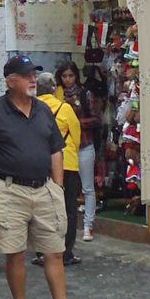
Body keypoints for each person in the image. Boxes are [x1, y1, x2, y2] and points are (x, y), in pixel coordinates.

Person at [0, 55, 96, 299]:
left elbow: (56, 148)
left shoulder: (42, 110)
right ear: (10, 81)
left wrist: (57, 185)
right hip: (9, 190)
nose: (33, 80)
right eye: (27, 75)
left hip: (44, 190)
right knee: (15, 253)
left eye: (34, 74)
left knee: (55, 250)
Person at [36, 72, 83, 266]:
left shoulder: (33, 108)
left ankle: (41, 252)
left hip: (40, 164)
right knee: (68, 209)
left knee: (42, 210)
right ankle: (66, 252)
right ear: (54, 89)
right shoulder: (65, 108)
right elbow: (76, 134)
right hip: (66, 163)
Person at [55, 61, 102, 242]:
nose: (68, 80)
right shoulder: (57, 95)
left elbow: (96, 119)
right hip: (64, 148)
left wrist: (76, 123)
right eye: (65, 76)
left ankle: (88, 226)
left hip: (83, 144)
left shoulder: (84, 94)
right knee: (65, 187)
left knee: (87, 187)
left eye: (71, 76)